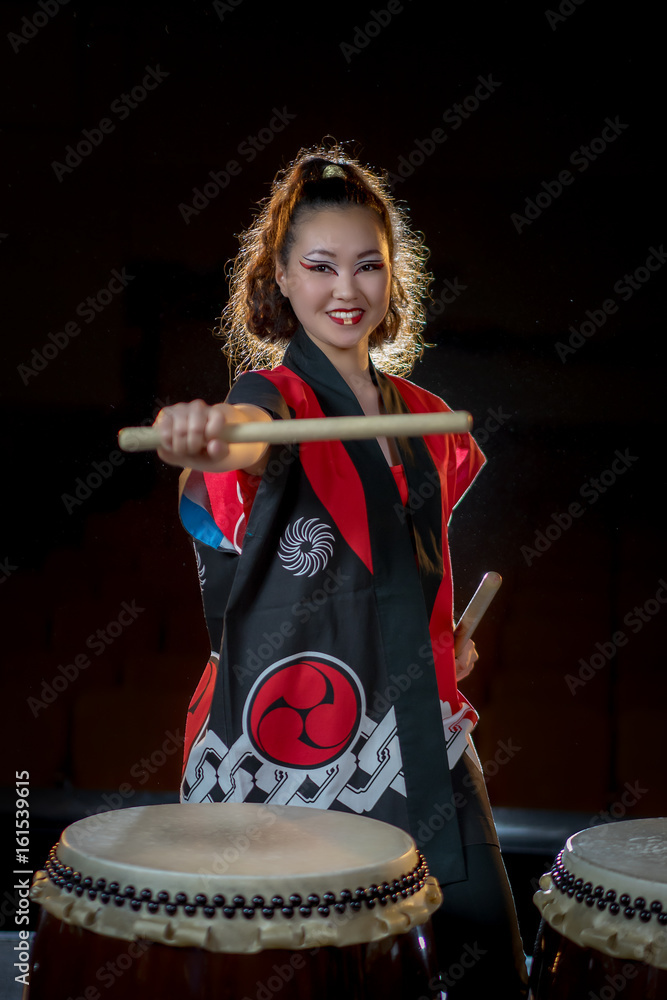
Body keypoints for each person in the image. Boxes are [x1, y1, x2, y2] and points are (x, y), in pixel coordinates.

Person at [154, 146, 528, 997]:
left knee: (484, 966)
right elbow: (233, 445)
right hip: (283, 736)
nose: (345, 289)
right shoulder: (274, 398)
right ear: (280, 279)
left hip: (417, 734)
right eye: (319, 267)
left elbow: (410, 564)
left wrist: (437, 642)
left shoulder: (429, 418)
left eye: (368, 266)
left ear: (393, 279)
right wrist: (206, 438)